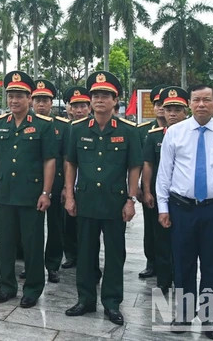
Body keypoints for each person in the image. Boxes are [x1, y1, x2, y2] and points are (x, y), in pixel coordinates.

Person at [156, 85, 213, 339]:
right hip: (182, 208)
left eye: (207, 100)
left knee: (212, 265)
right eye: (196, 100)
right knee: (183, 265)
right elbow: (165, 175)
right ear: (190, 104)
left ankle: (209, 318)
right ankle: (184, 315)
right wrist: (163, 208)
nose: (201, 104)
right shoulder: (175, 132)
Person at [64, 71, 142, 326]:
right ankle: (85, 300)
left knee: (115, 254)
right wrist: (69, 195)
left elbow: (134, 167)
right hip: (85, 200)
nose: (99, 100)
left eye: (105, 95)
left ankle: (111, 303)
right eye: (95, 95)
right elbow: (70, 164)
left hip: (114, 202)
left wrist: (131, 199)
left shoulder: (129, 131)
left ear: (115, 99)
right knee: (85, 254)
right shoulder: (77, 129)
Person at [0, 70, 56, 308]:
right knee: (5, 243)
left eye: (19, 95)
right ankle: (6, 286)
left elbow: (49, 160)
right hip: (5, 193)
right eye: (10, 96)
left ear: (29, 98)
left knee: (33, 244)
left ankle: (33, 289)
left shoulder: (43, 125)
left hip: (31, 194)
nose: (14, 100)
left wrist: (46, 192)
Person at [22, 79, 71, 284]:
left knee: (55, 227)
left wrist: (68, 187)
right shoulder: (23, 123)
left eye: (45, 100)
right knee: (30, 229)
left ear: (52, 103)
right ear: (32, 102)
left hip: (57, 184)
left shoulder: (63, 126)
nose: (41, 104)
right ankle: (31, 265)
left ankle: (52, 265)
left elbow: (68, 159)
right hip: (31, 184)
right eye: (38, 100)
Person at [141, 86, 190, 295]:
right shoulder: (154, 136)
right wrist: (146, 190)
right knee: (160, 237)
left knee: (183, 240)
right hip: (159, 195)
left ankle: (180, 276)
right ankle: (163, 279)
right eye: (168, 109)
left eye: (177, 110)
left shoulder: (193, 135)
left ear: (185, 112)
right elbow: (148, 165)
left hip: (184, 198)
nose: (171, 113)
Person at [135, 85, 167, 279]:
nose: (161, 108)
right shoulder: (143, 131)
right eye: (157, 104)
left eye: (165, 104)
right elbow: (139, 161)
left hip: (174, 190)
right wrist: (140, 187)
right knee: (151, 227)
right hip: (151, 187)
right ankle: (152, 261)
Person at [60, 86, 91, 269]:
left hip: (89, 184)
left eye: (83, 106)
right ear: (69, 108)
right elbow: (65, 159)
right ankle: (70, 255)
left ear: (89, 107)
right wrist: (66, 186)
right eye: (75, 106)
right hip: (71, 183)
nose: (79, 110)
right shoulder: (66, 128)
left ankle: (86, 256)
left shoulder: (96, 127)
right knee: (68, 222)